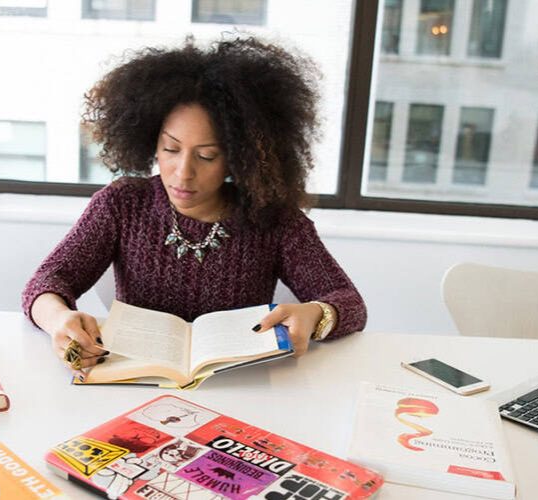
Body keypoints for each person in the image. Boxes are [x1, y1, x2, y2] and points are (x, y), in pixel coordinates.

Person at [21, 35, 366, 376]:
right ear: (150, 142)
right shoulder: (122, 204)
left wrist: (316, 315)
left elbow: (349, 303)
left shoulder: (273, 219)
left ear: (238, 159)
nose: (183, 173)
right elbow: (46, 282)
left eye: (207, 156)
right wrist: (59, 320)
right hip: (135, 382)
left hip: (242, 387)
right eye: (171, 150)